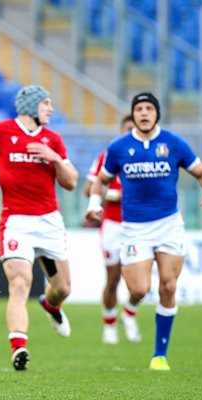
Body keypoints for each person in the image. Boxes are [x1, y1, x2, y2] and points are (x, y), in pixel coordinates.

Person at [85, 92, 202, 371]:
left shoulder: (173, 143)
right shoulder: (119, 147)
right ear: (133, 114)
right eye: (139, 109)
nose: (144, 113)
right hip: (134, 228)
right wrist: (94, 203)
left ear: (157, 113)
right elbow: (100, 181)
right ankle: (130, 309)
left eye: (149, 108)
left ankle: (159, 355)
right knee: (139, 288)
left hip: (169, 224)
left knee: (168, 286)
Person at [0, 85, 79, 371]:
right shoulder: (1, 131)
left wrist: (54, 159)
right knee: (19, 283)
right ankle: (19, 348)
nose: (51, 109)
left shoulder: (52, 139)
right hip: (16, 222)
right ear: (31, 106)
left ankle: (51, 306)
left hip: (49, 221)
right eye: (47, 104)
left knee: (62, 288)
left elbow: (71, 181)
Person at [84, 114, 142, 345]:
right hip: (112, 225)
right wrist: (114, 195)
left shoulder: (145, 158)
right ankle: (109, 326)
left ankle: (129, 314)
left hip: (140, 226)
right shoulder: (108, 156)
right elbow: (88, 188)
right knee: (113, 279)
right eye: (127, 130)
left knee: (140, 284)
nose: (130, 134)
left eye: (134, 130)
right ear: (121, 131)